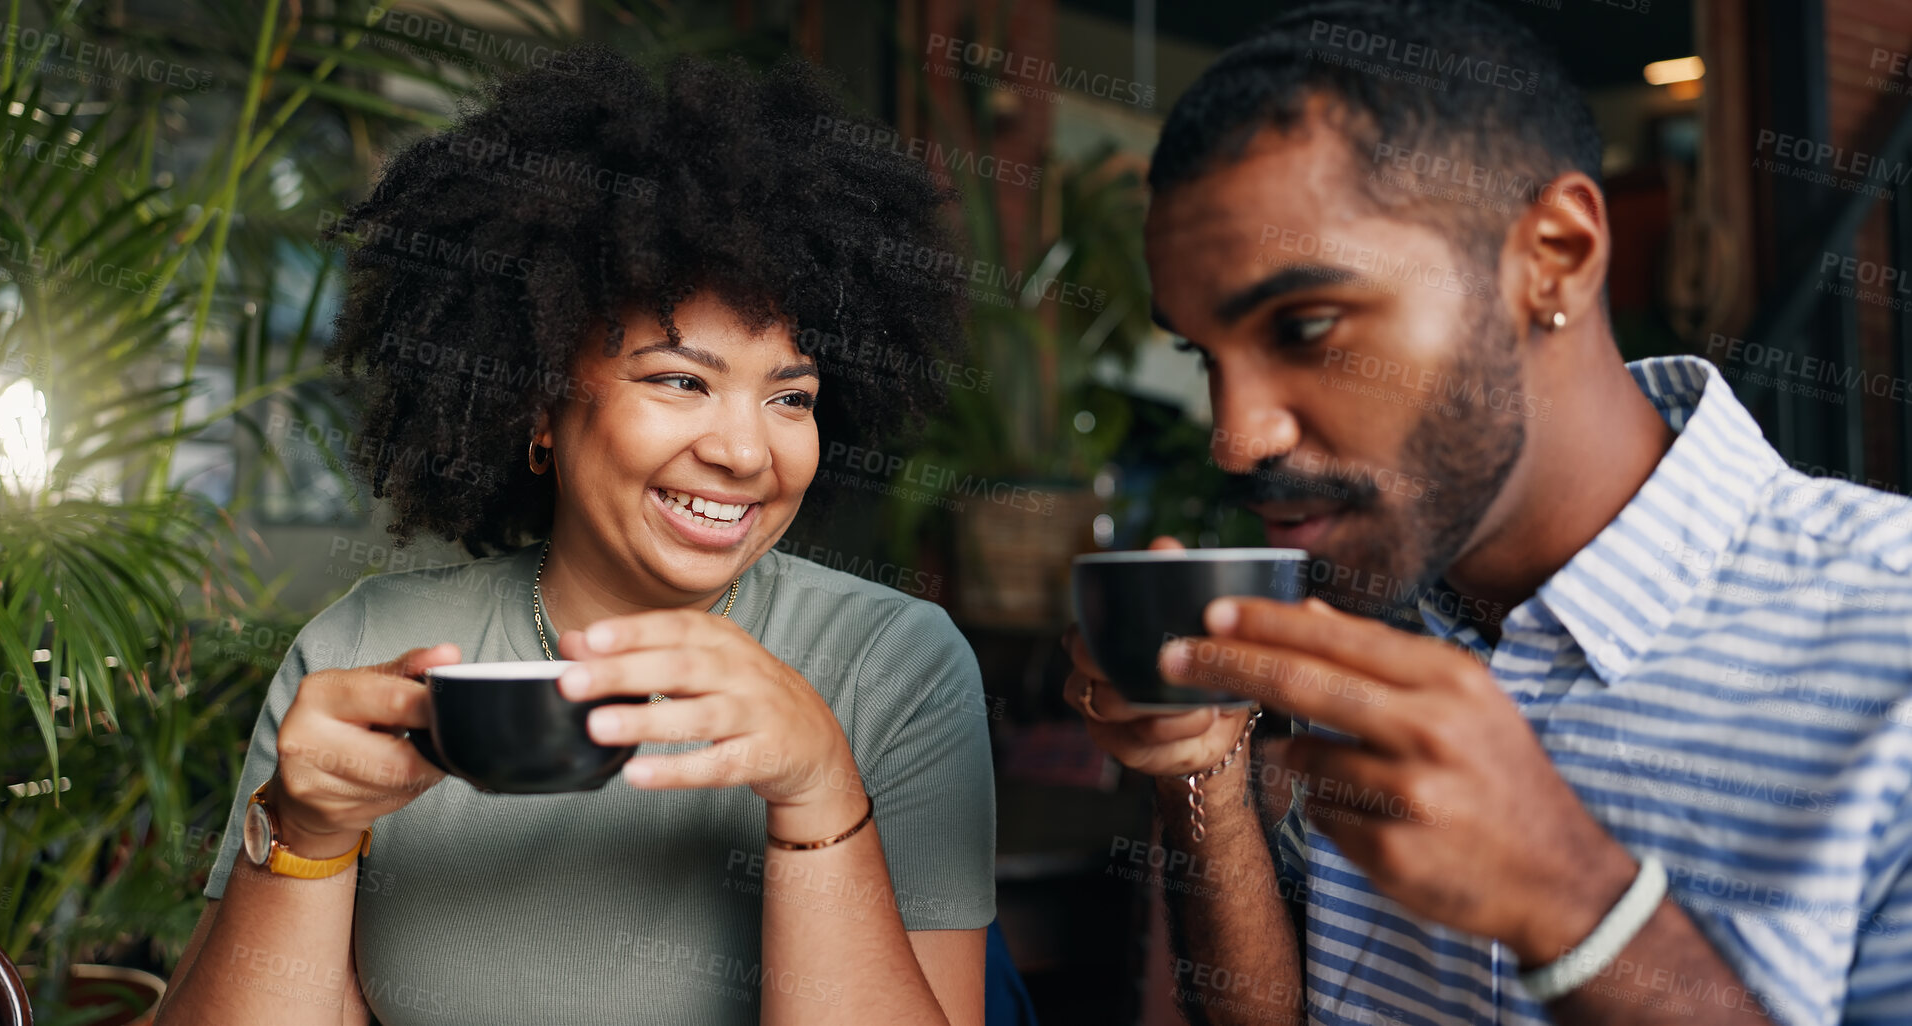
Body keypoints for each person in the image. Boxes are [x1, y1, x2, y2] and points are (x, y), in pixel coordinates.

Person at [1065, 2, 1912, 1024]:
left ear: (1551, 255)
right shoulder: (1367, 606)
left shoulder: (1887, 641)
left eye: (1308, 324)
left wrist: (1574, 903)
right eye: (1207, 355)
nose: (1234, 438)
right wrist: (1199, 779)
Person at [156, 48, 993, 1026]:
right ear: (540, 403)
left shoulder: (895, 664)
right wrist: (306, 832)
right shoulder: (365, 654)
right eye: (681, 380)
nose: (743, 451)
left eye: (791, 397)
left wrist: (817, 792)